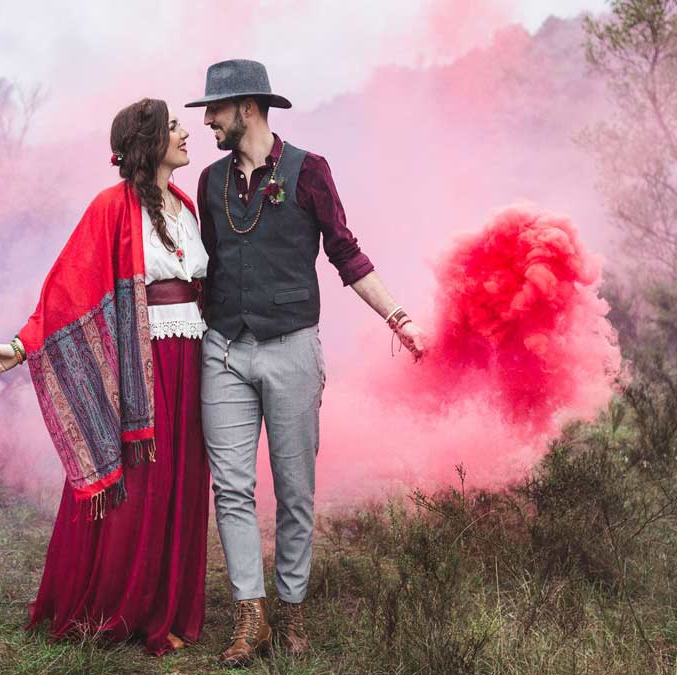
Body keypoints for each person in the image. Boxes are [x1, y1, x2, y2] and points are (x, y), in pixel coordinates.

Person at [186, 59, 427, 666]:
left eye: (215, 109)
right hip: (223, 350)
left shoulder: (309, 171)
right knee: (232, 490)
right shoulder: (209, 183)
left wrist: (398, 317)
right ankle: (251, 616)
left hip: (292, 346)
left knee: (295, 491)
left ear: (247, 108)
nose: (208, 120)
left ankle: (291, 610)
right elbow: (207, 267)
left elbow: (346, 253)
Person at [0, 98, 210, 656]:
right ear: (149, 141)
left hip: (191, 360)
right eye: (174, 127)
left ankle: (165, 607)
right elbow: (67, 289)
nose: (185, 134)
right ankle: (111, 608)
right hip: (140, 368)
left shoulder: (185, 205)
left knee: (180, 482)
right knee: (140, 487)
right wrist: (20, 345)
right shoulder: (111, 206)